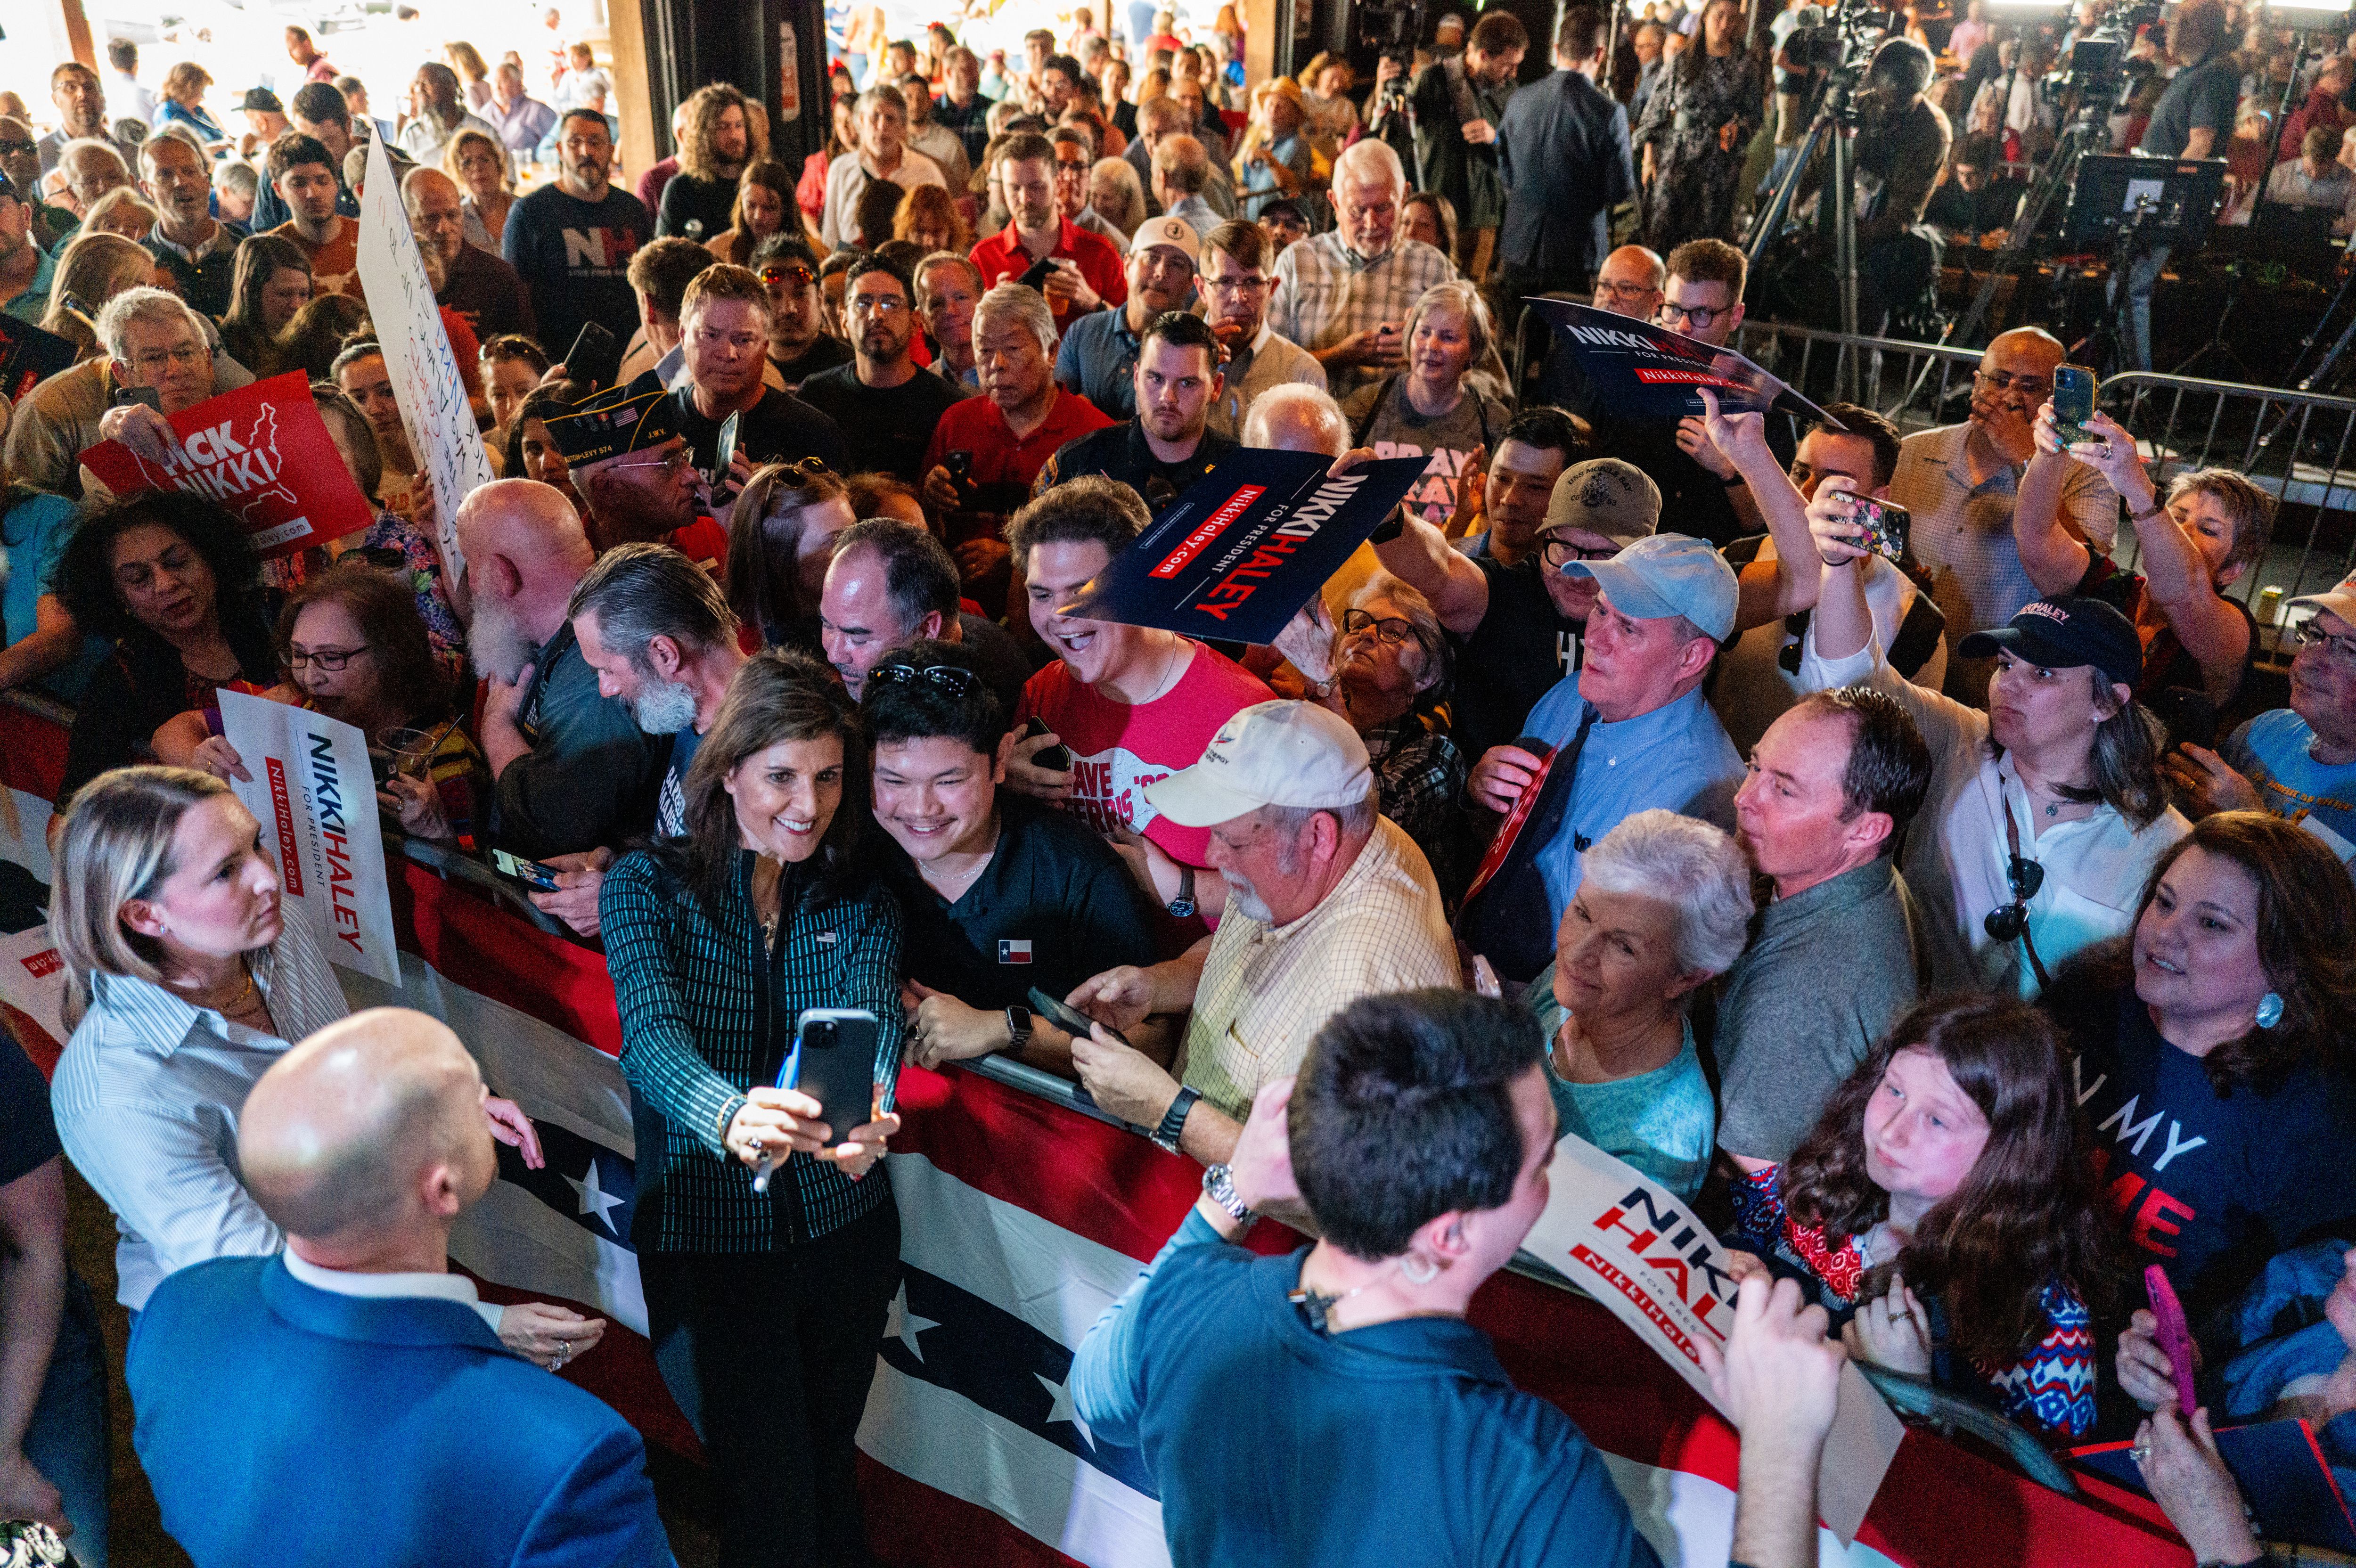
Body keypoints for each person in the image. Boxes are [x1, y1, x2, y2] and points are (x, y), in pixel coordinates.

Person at [1069, 989, 1665, 1568]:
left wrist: (1234, 1192)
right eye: (1540, 1163)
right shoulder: (1523, 1468)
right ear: (1449, 1237)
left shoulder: (1191, 1298)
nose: (1551, 1180)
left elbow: (1097, 1394)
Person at [128, 1007, 663, 1568]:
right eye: (472, 1095)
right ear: (443, 1189)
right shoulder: (567, 1455)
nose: (488, 1102)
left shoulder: (174, 1309)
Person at [599, 649, 902, 1568]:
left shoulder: (861, 896)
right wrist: (730, 1113)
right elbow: (652, 1041)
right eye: (781, 776)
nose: (807, 803)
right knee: (769, 1502)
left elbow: (876, 1023)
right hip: (710, 1248)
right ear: (728, 771)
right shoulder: (644, 885)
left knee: (825, 1473)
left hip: (843, 1241)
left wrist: (874, 1107)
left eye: (827, 776)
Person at [47, 769, 552, 1315]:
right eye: (226, 871)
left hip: (356, 1272)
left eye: (257, 844)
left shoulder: (278, 931)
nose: (267, 877)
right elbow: (269, 1283)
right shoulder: (116, 1089)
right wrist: (476, 1322)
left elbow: (343, 1070)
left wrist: (440, 1099)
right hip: (243, 1330)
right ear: (145, 915)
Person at [1803, 491, 2188, 996]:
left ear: (2108, 701)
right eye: (2005, 665)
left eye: (2043, 673)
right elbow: (1854, 685)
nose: (2009, 686)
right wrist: (1836, 567)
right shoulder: (1956, 738)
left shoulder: (2166, 843)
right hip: (1911, 1032)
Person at [1062, 700, 1458, 1157]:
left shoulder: (1366, 988)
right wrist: (1157, 985)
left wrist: (1166, 1110)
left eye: (1231, 841)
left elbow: (1325, 1179)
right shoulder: (1340, 837)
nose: (1212, 856)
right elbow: (1241, 948)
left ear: (1319, 837)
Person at [1727, 994, 2110, 1438]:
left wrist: (1916, 1398)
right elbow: (1728, 1247)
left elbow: (2022, 1483)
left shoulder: (2049, 1334)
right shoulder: (1826, 1181)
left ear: (2011, 1155)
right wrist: (1727, 1265)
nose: (1892, 1132)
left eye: (1937, 1121)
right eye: (1894, 1091)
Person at [2045, 812, 2356, 1326]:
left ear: (2287, 962)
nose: (2164, 933)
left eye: (2211, 924)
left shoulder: (2316, 1124)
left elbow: (2279, 1316)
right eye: (2164, 902)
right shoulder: (2088, 997)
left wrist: (2190, 1353)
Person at [1458, 533, 1748, 984]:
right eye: (1600, 610)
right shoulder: (1569, 695)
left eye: (1628, 628)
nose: (1594, 638)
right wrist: (1480, 791)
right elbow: (1505, 837)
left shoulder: (1702, 798)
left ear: (1691, 657)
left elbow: (1639, 982)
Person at [868, 639, 1160, 1077]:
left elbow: (1153, 1044)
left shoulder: (1074, 871)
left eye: (949, 781)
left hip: (1040, 1111)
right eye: (894, 781)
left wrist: (1006, 1029)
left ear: (1001, 759)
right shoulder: (856, 855)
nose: (921, 808)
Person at [1002, 477, 1272, 921]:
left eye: (1083, 590)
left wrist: (1178, 887)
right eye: (1042, 594)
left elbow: (1290, 892)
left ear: (1141, 584)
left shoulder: (1243, 714)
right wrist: (1001, 791)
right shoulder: (1042, 694)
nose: (1059, 615)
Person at [1714, 686, 1931, 1169]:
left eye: (1784, 790)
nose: (1743, 798)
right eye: (1754, 767)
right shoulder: (1873, 878)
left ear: (1865, 830)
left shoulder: (1800, 998)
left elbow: (1754, 1178)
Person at [166, 564, 490, 847]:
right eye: (299, 654)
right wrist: (208, 767)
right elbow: (172, 732)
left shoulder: (446, 757)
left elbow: (481, 878)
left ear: (393, 657)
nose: (309, 678)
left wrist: (438, 834)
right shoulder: (300, 708)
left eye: (332, 658)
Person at [1521, 809, 1749, 1198]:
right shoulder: (1578, 987)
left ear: (1686, 977)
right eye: (1582, 913)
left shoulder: (1660, 1147)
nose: (1576, 953)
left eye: (1624, 947)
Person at [455, 480, 671, 883]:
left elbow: (554, 825)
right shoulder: (561, 637)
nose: (470, 586)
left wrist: (497, 731)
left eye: (470, 564)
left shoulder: (597, 670)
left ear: (502, 575)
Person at [1708, 400, 1948, 756]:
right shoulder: (1738, 559)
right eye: (1799, 473)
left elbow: (1903, 757)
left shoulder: (1916, 623)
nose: (1807, 493)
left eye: (1832, 484)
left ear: (1878, 500)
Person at [1890, 327, 2114, 701]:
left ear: (2054, 400)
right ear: (1976, 383)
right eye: (1999, 380)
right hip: (1900, 670)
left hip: (2000, 685)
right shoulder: (1911, 452)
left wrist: (2027, 459)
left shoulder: (2086, 475)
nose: (2010, 398)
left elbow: (2088, 582)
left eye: (2030, 387)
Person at [2016, 408, 2267, 709]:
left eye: (2208, 531)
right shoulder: (2115, 585)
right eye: (2176, 518)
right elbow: (2035, 537)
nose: (2182, 532)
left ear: (2232, 570)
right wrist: (2050, 453)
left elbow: (2180, 591)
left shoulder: (2234, 627)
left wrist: (2137, 486)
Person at [919, 282, 1111, 594]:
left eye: (1013, 349)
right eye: (984, 350)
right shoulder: (957, 422)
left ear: (1052, 352)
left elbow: (1107, 547)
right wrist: (930, 499)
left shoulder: (1093, 434)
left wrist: (1014, 557)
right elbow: (923, 531)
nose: (997, 364)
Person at [1428, 418, 1595, 762]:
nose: (1510, 499)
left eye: (1535, 487)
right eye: (1502, 478)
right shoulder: (1451, 567)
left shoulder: (1586, 589)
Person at [565, 541, 750, 845]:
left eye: (608, 670)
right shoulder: (691, 708)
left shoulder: (760, 760)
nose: (606, 690)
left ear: (665, 655)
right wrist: (627, 862)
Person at [2168, 577, 2356, 866]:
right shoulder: (2265, 731)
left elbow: (2332, 897)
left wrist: (2248, 822)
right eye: (2316, 635)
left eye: (2351, 650)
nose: (2308, 661)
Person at [4, 284, 252, 502]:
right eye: (153, 358)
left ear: (208, 361)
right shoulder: (54, 407)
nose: (175, 370)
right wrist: (118, 456)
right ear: (122, 374)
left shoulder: (256, 419)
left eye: (186, 353)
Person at [1269, 140, 1457, 403]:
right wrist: (1339, 356)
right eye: (1357, 211)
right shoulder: (1296, 263)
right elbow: (1269, 367)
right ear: (1335, 203)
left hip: (1401, 421)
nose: (1371, 224)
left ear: (1404, 197)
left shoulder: (1433, 267)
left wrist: (1422, 348)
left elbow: (1467, 367)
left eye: (1383, 208)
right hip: (1311, 415)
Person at [1790, 37, 1949, 337]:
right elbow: (1814, 166)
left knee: (1862, 326)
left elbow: (1903, 214)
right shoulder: (1859, 105)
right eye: (1885, 95)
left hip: (1875, 250)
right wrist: (1796, 217)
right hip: (1829, 224)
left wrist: (1840, 243)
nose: (1889, 107)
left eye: (1900, 101)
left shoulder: (1931, 132)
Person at [662, 264, 850, 502]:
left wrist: (769, 506)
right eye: (711, 335)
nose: (728, 353)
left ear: (765, 345)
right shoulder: (657, 422)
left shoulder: (813, 436)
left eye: (743, 339)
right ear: (682, 335)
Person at [817, 520, 1031, 718]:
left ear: (928, 629)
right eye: (827, 625)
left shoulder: (979, 706)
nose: (834, 656)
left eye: (858, 638)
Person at [1494, 8, 1634, 308]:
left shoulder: (1519, 99)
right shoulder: (1609, 113)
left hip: (1517, 249)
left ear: (1557, 49)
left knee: (1515, 335)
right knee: (1565, 339)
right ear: (1600, 54)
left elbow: (1505, 171)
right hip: (1575, 257)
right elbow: (1619, 191)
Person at [1342, 281, 1508, 529]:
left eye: (1448, 337)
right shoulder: (1365, 406)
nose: (1432, 346)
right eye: (1424, 332)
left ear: (1473, 351)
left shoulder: (1495, 424)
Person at [2125, 0, 2237, 368]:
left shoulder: (2214, 75)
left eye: (2172, 22)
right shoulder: (2192, 73)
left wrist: (2164, 196)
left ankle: (2134, 382)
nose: (2165, 30)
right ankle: (2126, 377)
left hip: (2165, 198)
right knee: (2125, 285)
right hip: (2156, 193)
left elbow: (2200, 145)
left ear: (2197, 29)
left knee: (2132, 286)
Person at [505, 109, 654, 377]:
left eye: (596, 142)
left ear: (610, 151)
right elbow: (517, 300)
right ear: (560, 150)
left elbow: (650, 287)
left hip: (631, 362)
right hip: (559, 367)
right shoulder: (530, 213)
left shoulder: (632, 210)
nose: (586, 151)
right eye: (575, 142)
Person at [1035, 308, 1236, 505]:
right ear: (1137, 377)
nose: (1168, 397)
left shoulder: (1240, 469)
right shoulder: (1078, 466)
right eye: (1156, 378)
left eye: (1187, 383)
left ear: (1216, 387)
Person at [799, 252, 966, 485]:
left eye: (890, 303)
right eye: (863, 303)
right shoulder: (815, 397)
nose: (876, 315)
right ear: (844, 320)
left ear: (915, 321)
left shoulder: (948, 407)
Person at [1634, 0, 1765, 247]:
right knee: (1663, 236)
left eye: (1731, 19)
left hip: (1718, 164)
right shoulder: (1683, 59)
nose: (1724, 25)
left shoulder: (1744, 65)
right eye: (1719, 16)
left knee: (1705, 242)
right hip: (1677, 158)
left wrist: (1739, 128)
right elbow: (1655, 112)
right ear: (1705, 17)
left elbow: (1755, 115)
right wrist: (1649, 159)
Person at [970, 131, 1128, 335]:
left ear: (1057, 183)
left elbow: (1132, 332)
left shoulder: (1100, 252)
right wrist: (991, 312)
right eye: (1014, 188)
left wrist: (1093, 302)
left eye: (1036, 187)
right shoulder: (984, 257)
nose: (1025, 198)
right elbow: (966, 340)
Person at [1409, 11, 1528, 280]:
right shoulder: (1433, 79)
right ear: (1483, 55)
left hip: (1482, 216)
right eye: (1507, 65)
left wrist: (1495, 138)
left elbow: (1522, 152)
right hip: (1437, 211)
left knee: (1471, 292)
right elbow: (1405, 134)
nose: (1513, 73)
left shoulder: (1512, 92)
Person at [1054, 212, 1199, 418]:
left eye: (1177, 265)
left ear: (1190, 284)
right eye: (1151, 258)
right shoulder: (1082, 332)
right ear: (1128, 266)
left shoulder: (1193, 351)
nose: (1161, 272)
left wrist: (1090, 416)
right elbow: (1058, 412)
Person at [1194, 220, 1324, 441]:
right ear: (1201, 289)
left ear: (1272, 288)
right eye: (1225, 282)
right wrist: (1191, 367)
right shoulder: (1171, 364)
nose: (1239, 297)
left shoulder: (1303, 374)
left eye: (1253, 282)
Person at [404, 167, 534, 344]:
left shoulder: (499, 278)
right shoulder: (399, 279)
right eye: (431, 218)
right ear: (409, 220)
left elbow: (524, 351)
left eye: (452, 216)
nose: (443, 228)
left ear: (462, 213)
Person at [822, 85, 945, 252]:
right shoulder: (841, 169)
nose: (882, 126)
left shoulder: (926, 171)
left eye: (890, 119)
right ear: (861, 121)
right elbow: (831, 236)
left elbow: (944, 229)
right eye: (875, 117)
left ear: (902, 126)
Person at [138, 133, 242, 317]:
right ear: (147, 189)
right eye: (165, 174)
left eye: (190, 171)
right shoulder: (139, 265)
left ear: (206, 182)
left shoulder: (244, 249)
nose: (181, 182)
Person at [752, 234, 852, 388]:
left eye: (800, 294)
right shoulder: (742, 369)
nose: (788, 309)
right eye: (774, 296)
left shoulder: (850, 372)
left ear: (820, 297)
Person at [264, 131, 357, 295]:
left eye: (322, 181)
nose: (313, 193)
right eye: (298, 184)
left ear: (336, 183)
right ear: (278, 189)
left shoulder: (367, 237)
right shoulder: (269, 253)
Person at [659, 83, 754, 242]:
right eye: (723, 127)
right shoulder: (682, 190)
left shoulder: (758, 183)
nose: (734, 135)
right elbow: (664, 253)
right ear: (704, 134)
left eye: (739, 125)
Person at [399, 63, 503, 175]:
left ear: (450, 86)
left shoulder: (481, 130)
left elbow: (507, 177)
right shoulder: (411, 134)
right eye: (417, 83)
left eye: (426, 83)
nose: (420, 89)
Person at [1049, 128, 1129, 255]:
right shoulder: (1029, 232)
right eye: (1060, 166)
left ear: (1090, 177)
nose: (1070, 177)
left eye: (1078, 167)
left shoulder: (1113, 244)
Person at [912, 251, 982, 390]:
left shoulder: (1015, 375)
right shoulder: (922, 389)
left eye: (961, 298)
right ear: (923, 319)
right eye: (936, 304)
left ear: (983, 302)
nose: (950, 311)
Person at [707, 159, 796, 266]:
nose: (758, 216)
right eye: (751, 206)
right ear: (741, 204)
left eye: (768, 208)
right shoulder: (719, 250)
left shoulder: (809, 252)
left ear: (785, 208)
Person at [445, 125, 517, 253]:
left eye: (484, 159)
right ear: (460, 174)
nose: (477, 168)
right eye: (467, 163)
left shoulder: (524, 210)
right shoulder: (457, 220)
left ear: (499, 166)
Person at [486, 60, 557, 160]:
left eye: (503, 81)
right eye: (494, 82)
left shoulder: (539, 112)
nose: (497, 87)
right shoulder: (485, 114)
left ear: (518, 84)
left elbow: (557, 148)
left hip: (530, 169)